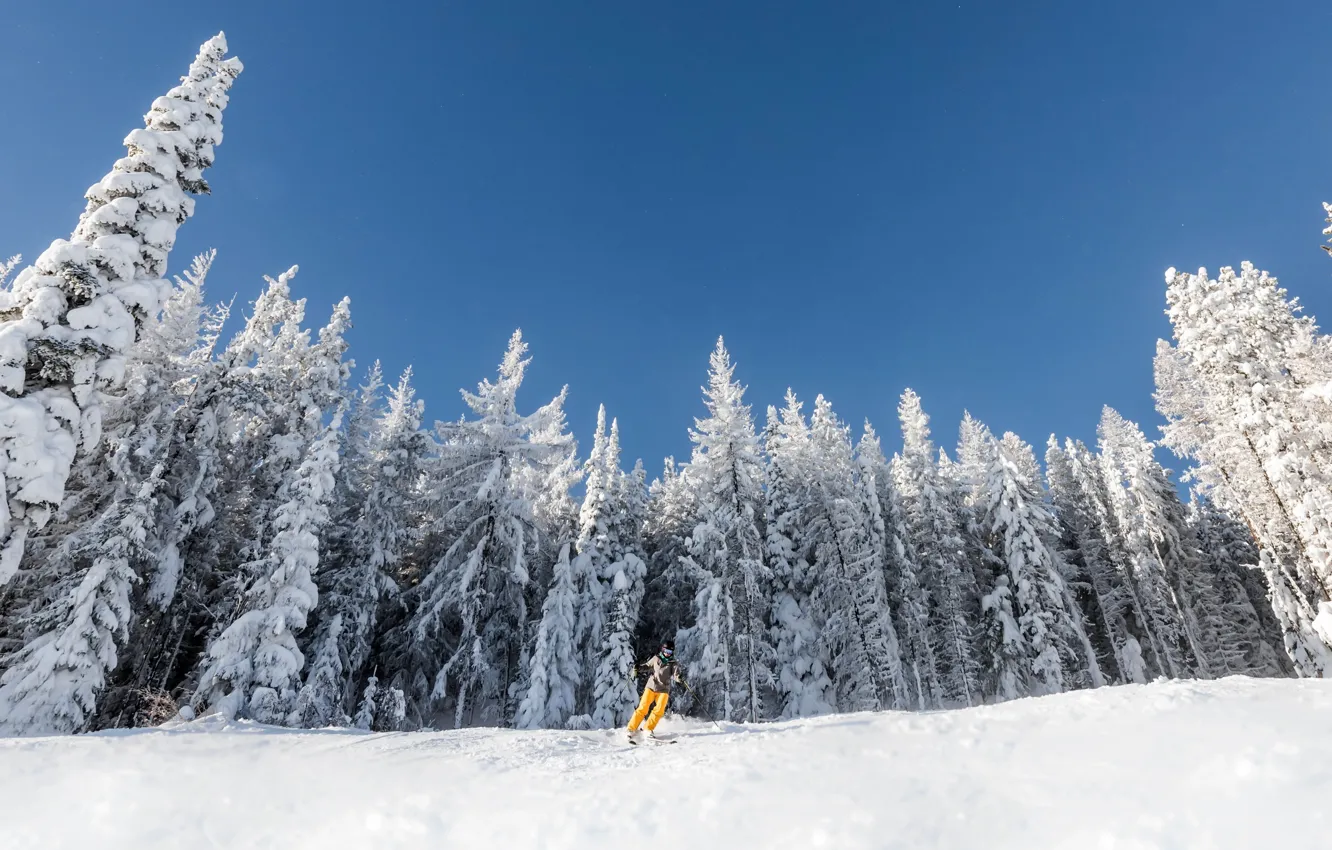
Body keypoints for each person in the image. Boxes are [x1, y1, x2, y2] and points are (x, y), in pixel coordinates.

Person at [627, 639, 686, 741]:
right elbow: (647, 666)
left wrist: (679, 678)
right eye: (666, 651)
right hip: (651, 686)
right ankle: (631, 729)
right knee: (643, 708)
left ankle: (648, 729)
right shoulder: (656, 658)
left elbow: (676, 675)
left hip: (664, 689)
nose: (668, 654)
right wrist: (638, 668)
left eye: (670, 652)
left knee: (659, 710)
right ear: (662, 650)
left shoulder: (673, 663)